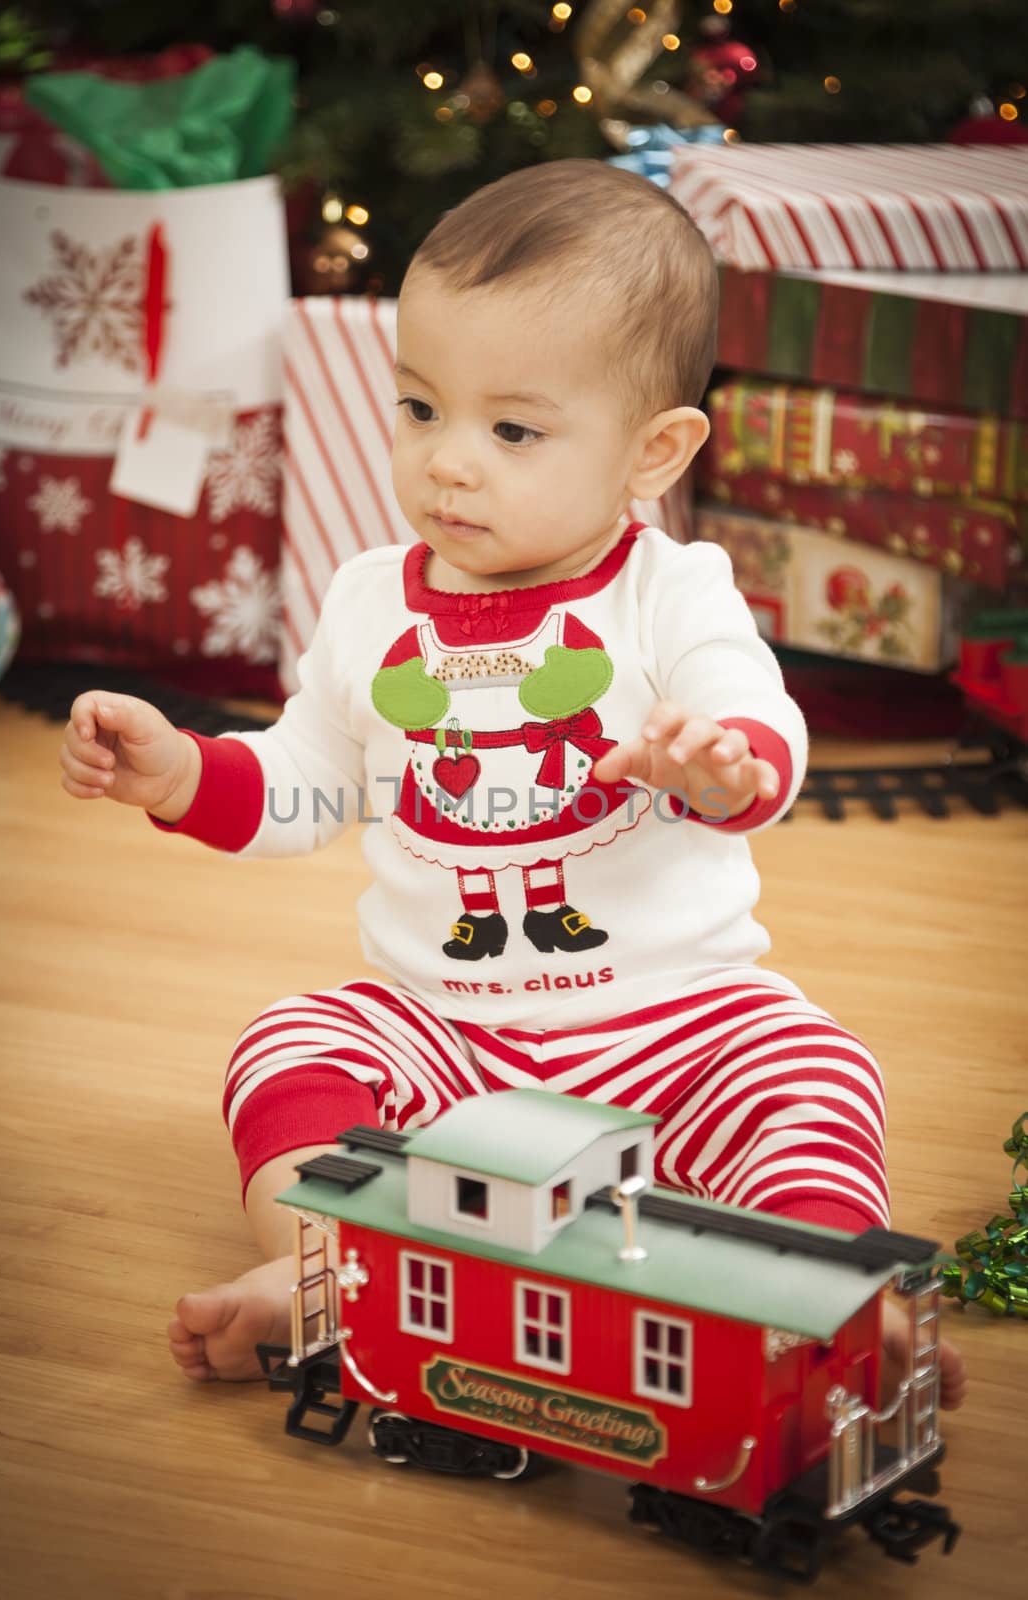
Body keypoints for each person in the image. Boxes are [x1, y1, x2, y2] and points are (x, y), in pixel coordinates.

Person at [59, 160, 964, 1406]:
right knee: (288, 1041)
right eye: (420, 409)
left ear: (652, 451)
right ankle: (335, 1269)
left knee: (813, 1070)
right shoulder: (372, 599)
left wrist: (719, 761)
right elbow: (305, 782)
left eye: (512, 429)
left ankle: (811, 1301)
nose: (449, 464)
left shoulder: (670, 590)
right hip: (448, 1032)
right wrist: (178, 774)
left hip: (674, 1022)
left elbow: (760, 725)